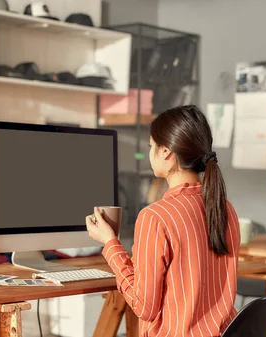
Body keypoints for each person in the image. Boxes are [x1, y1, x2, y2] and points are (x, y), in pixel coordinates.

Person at [86, 105, 240, 337]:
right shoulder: (225, 208)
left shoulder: (156, 217)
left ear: (166, 151)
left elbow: (144, 307)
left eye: (151, 147)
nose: (150, 154)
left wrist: (109, 243)